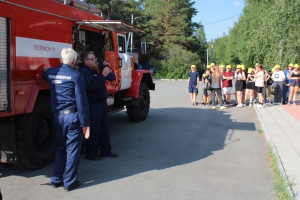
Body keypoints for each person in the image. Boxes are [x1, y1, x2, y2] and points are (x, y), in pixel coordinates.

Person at [42, 48, 90, 191]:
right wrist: (85, 123)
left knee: (61, 147)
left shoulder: (50, 73)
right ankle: (69, 182)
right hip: (73, 117)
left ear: (61, 59)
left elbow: (45, 74)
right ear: (74, 61)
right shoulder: (76, 76)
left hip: (58, 117)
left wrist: (48, 70)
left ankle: (56, 179)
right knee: (72, 150)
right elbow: (81, 101)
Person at [80, 51, 118, 159]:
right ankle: (91, 153)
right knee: (95, 129)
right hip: (93, 104)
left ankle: (106, 150)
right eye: (93, 59)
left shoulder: (95, 70)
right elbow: (92, 85)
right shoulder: (84, 72)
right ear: (85, 61)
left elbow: (111, 77)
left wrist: (106, 67)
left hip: (101, 103)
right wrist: (102, 75)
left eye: (95, 58)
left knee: (104, 129)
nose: (95, 60)